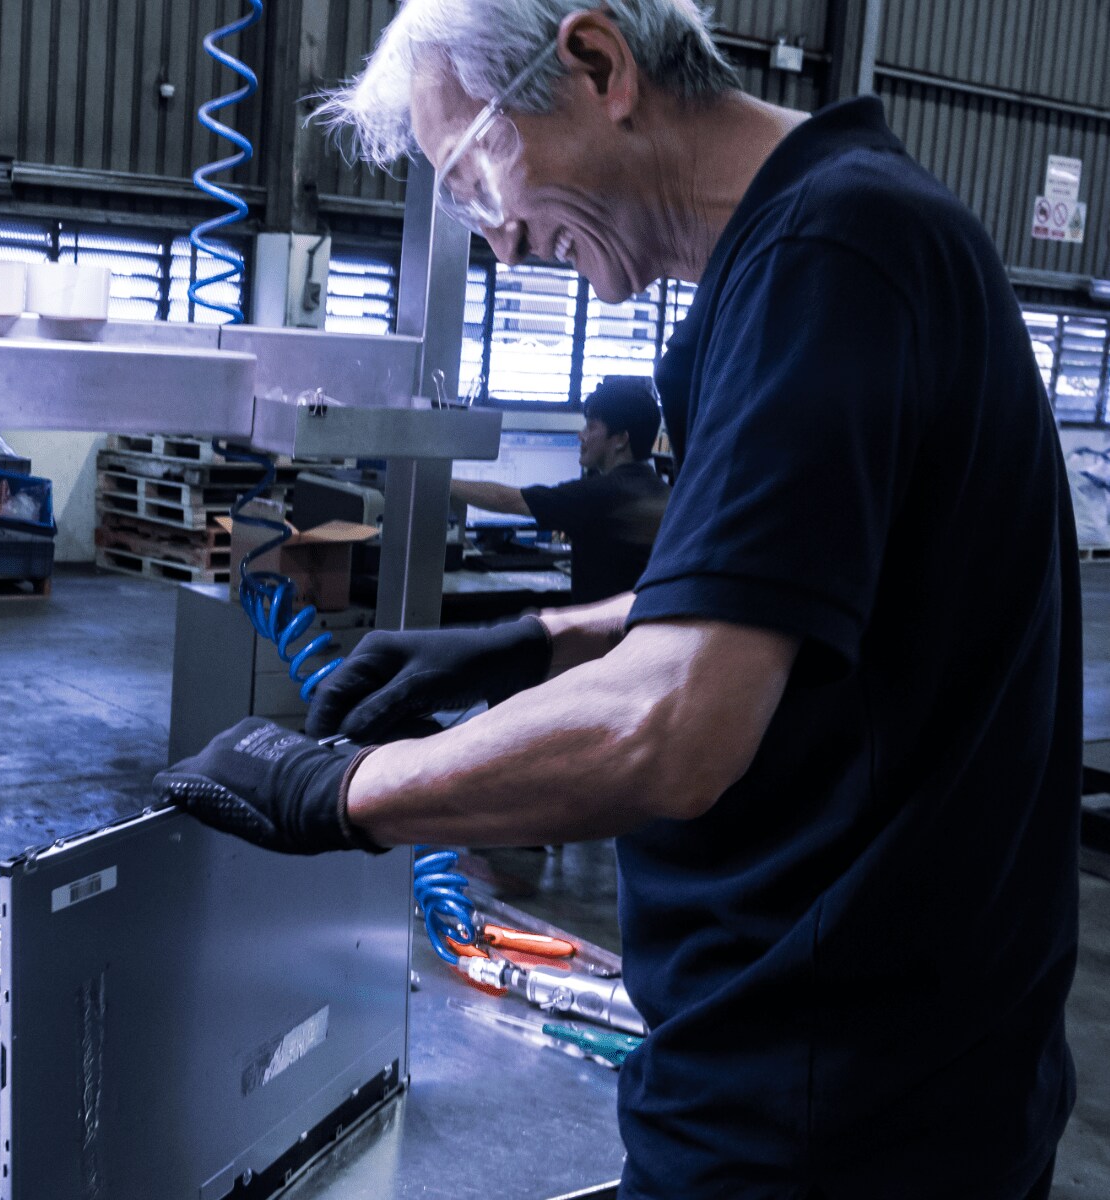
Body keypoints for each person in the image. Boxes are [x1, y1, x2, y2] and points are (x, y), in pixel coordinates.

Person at [155, 3, 1079, 1198]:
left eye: (472, 174)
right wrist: (526, 641)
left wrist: (336, 794)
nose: (496, 245)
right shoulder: (826, 245)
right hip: (896, 1066)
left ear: (595, 65)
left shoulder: (831, 257)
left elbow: (672, 730)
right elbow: (794, 598)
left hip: (828, 1095)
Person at [451, 375, 669, 602]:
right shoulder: (668, 495)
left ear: (621, 440)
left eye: (591, 426)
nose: (581, 435)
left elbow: (506, 499)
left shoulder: (598, 495)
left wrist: (445, 483)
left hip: (602, 632)